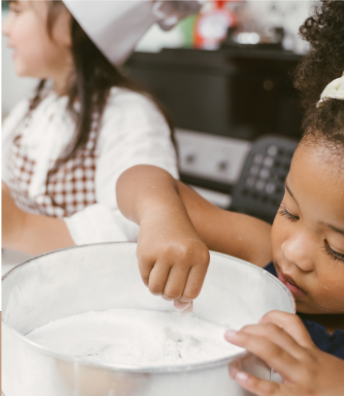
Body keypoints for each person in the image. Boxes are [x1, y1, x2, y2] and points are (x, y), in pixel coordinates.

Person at [115, 1, 344, 396]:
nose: (292, 252)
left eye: (338, 249)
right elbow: (144, 179)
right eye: (289, 211)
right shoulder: (263, 255)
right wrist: (161, 217)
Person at [1, 0, 199, 255]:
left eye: (17, 10)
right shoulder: (33, 106)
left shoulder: (129, 114)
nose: (5, 27)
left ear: (68, 24)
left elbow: (136, 231)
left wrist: (21, 228)